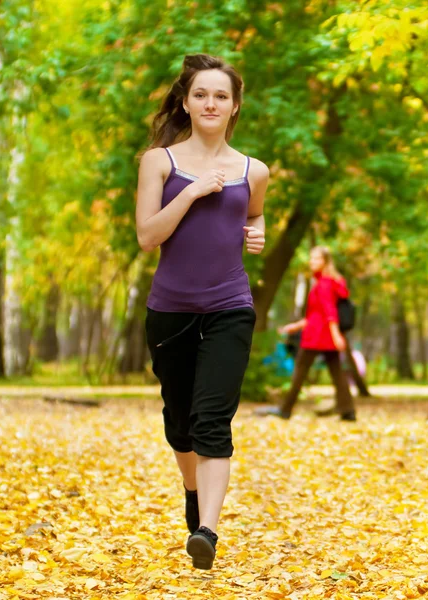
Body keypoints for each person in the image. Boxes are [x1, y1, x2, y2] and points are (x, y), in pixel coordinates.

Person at [136, 54, 269, 570]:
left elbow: (252, 217)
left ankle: (208, 531)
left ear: (234, 107)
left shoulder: (253, 171)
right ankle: (193, 498)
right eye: (200, 95)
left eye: (220, 96)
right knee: (181, 423)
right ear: (187, 103)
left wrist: (257, 235)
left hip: (229, 306)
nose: (210, 103)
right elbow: (148, 237)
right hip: (169, 310)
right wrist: (192, 192)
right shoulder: (160, 162)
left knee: (213, 420)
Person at [257, 246, 356, 421]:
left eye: (316, 259)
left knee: (300, 370)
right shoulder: (326, 282)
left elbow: (329, 311)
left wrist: (336, 335)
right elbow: (315, 314)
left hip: (317, 336)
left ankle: (285, 409)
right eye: (311, 258)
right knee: (336, 371)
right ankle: (348, 410)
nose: (312, 262)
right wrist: (296, 326)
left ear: (325, 261)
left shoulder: (324, 284)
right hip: (321, 332)